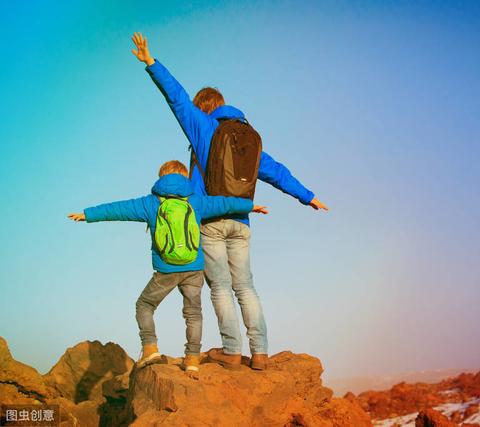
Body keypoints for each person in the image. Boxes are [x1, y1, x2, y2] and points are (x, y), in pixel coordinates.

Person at [131, 32, 328, 371]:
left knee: (220, 288)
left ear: (203, 108)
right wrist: (308, 197)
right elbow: (277, 171)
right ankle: (261, 353)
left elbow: (176, 98)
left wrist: (151, 62)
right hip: (242, 221)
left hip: (211, 223)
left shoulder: (204, 128)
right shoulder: (248, 139)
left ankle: (233, 352)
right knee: (246, 287)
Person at [68, 160, 268, 378]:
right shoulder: (196, 201)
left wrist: (87, 215)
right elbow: (224, 204)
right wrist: (250, 206)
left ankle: (150, 348)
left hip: (166, 269)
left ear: (161, 177)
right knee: (193, 313)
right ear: (185, 177)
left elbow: (118, 209)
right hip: (194, 268)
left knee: (144, 304)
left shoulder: (150, 203)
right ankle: (192, 359)